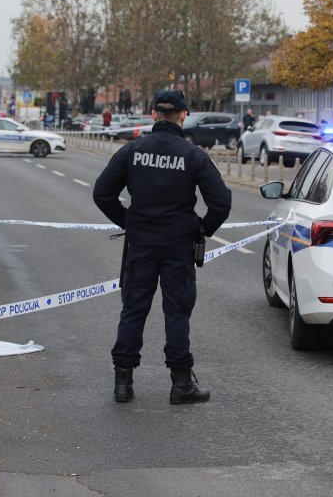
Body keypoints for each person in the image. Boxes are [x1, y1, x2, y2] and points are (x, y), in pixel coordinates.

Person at [93, 90, 231, 405]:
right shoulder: (193, 155)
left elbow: (102, 193)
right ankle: (181, 383)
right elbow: (221, 202)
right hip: (178, 246)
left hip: (140, 244)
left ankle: (123, 384)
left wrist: (128, 221)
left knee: (133, 310)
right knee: (177, 312)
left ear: (154, 114)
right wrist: (201, 229)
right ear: (184, 115)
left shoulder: (132, 151)